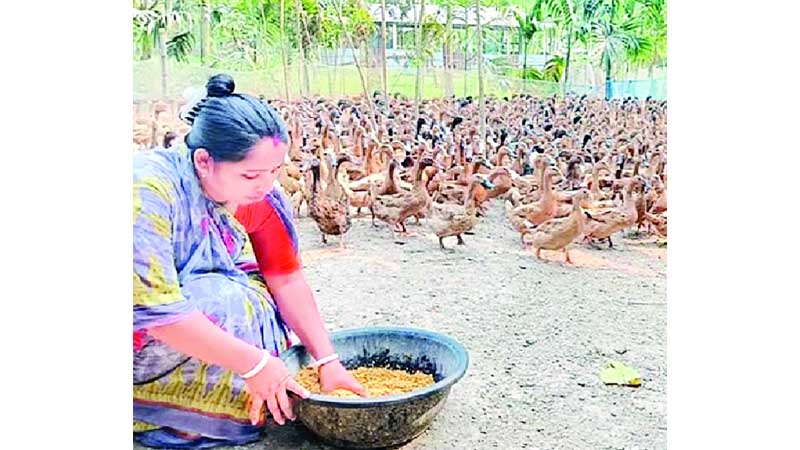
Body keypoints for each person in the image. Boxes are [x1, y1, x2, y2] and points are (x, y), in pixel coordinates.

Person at [133, 74, 365, 449]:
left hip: (196, 324)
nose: (266, 184)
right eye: (252, 174)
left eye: (275, 170)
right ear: (204, 161)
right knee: (218, 298)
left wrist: (328, 361)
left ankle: (240, 400)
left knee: (249, 296)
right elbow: (153, 310)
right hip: (141, 338)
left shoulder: (261, 197)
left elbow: (286, 280)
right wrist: (254, 364)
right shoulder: (147, 192)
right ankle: (167, 413)